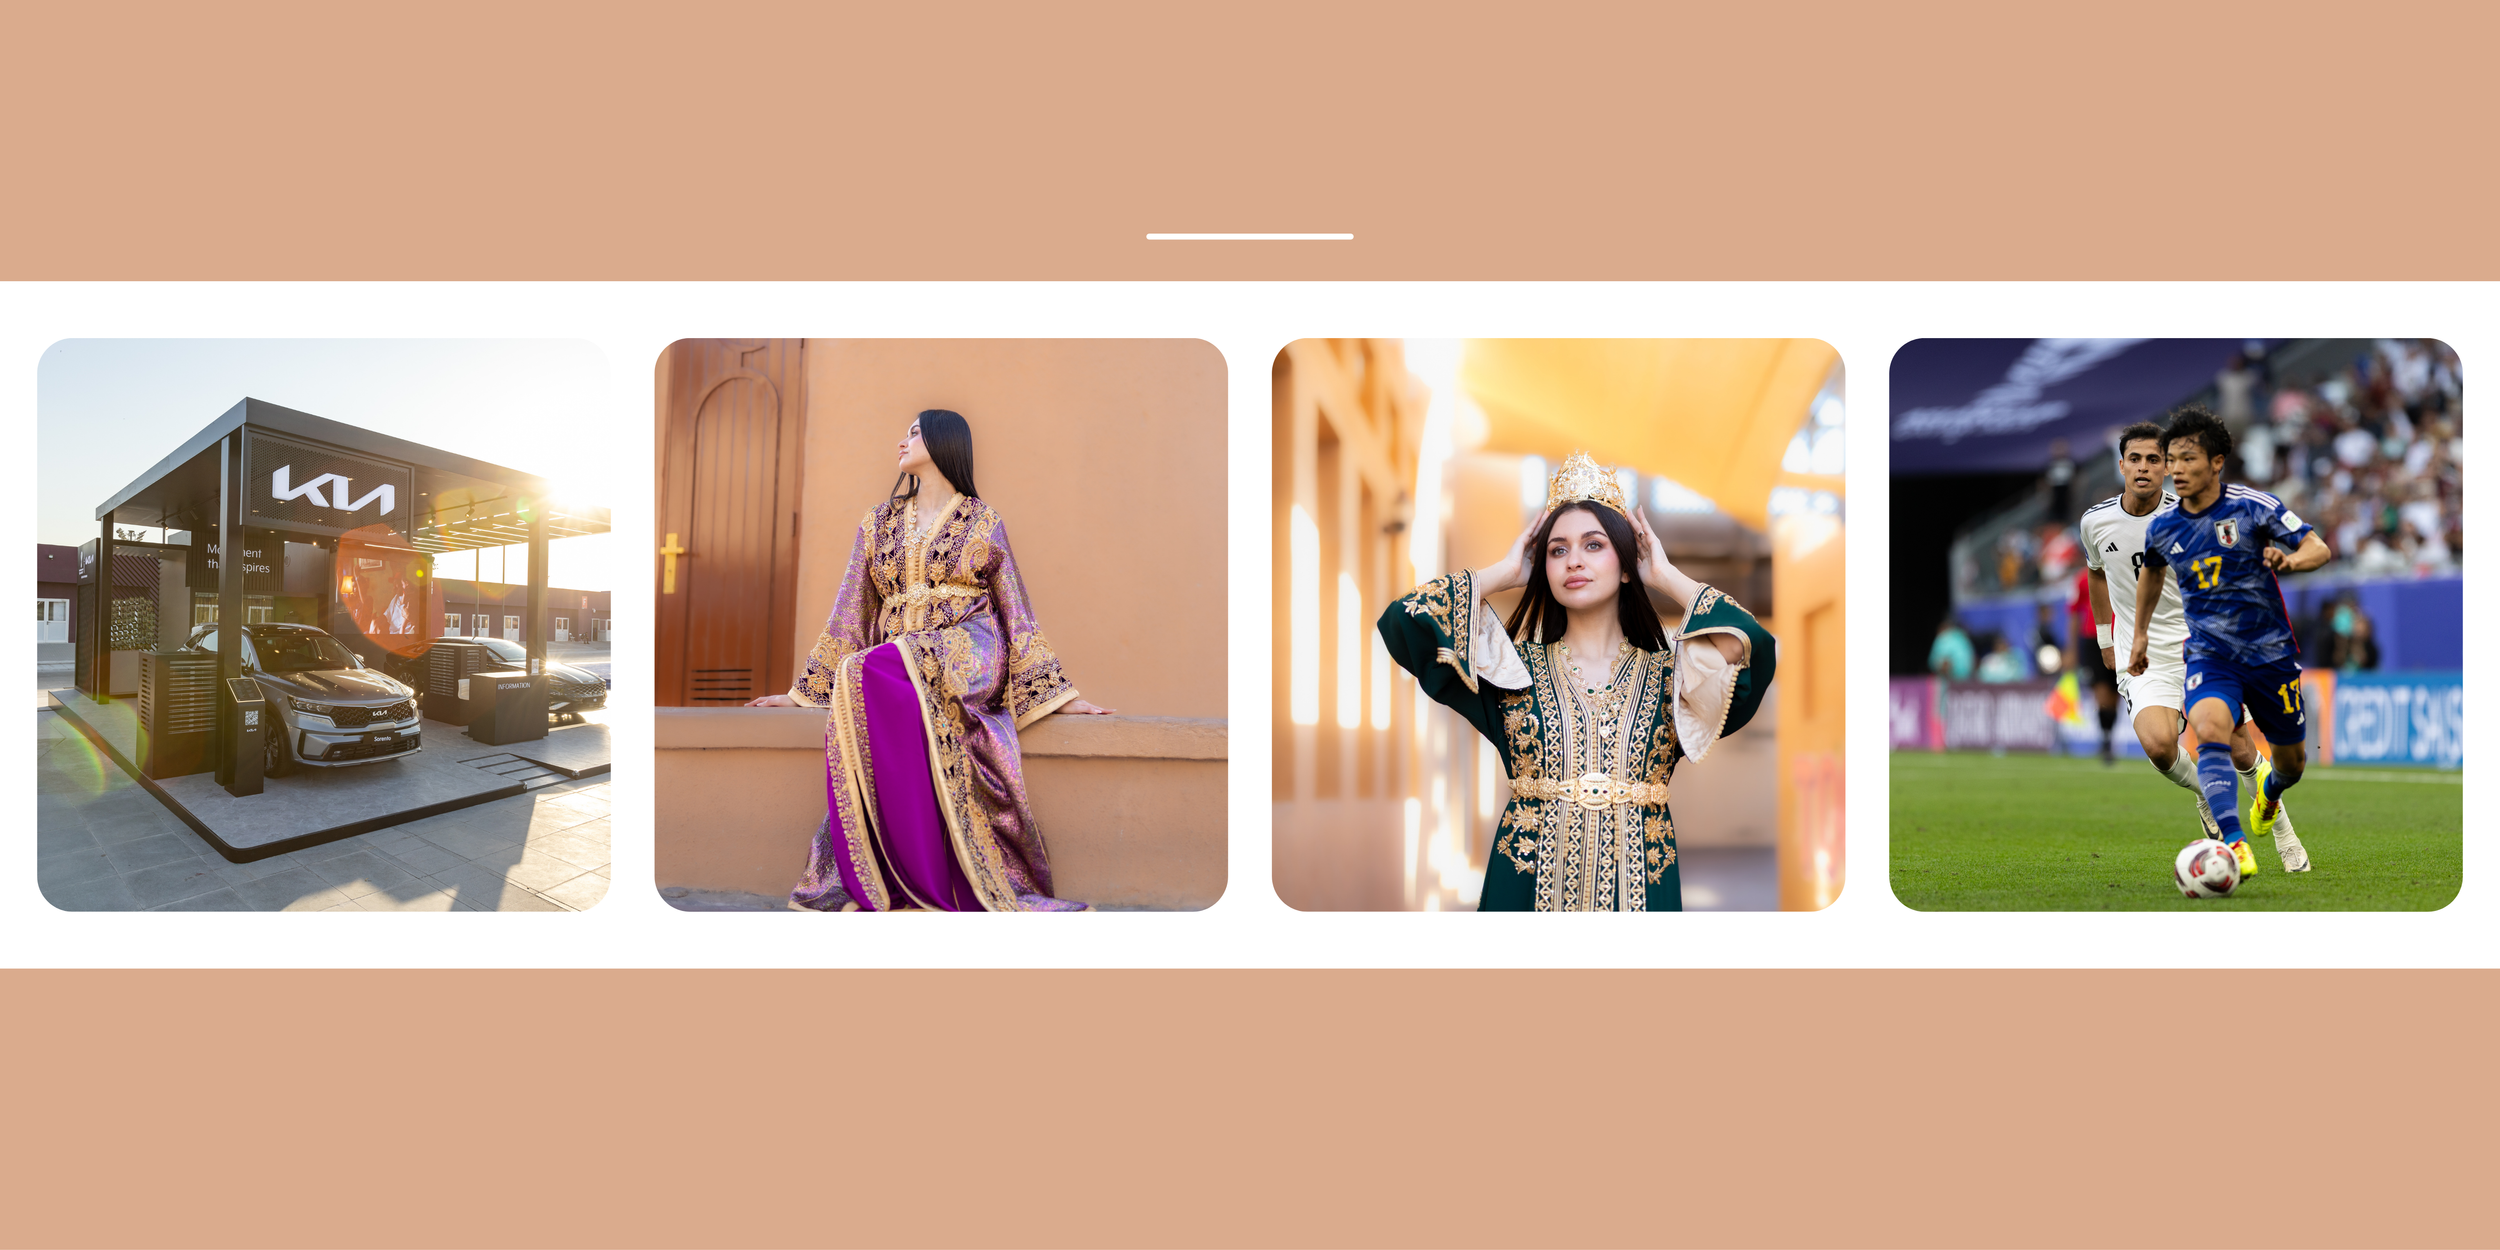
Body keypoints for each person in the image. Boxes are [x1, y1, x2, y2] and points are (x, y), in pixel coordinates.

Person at [745, 409, 1113, 912]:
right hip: (900, 660)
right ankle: (900, 868)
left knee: (891, 662)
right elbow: (850, 611)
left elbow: (1016, 611)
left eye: (915, 432)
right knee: (862, 671)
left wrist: (1061, 696)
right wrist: (800, 694)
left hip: (969, 648)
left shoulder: (983, 521)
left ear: (942, 441)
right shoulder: (878, 521)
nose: (903, 440)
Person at [1376, 451, 1774, 912]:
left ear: (1627, 564)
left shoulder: (1674, 677)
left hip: (1642, 893)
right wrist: (1505, 572)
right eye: (1557, 550)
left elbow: (1751, 645)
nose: (1573, 561)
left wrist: (1664, 576)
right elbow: (1403, 622)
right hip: (1522, 891)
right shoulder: (1510, 672)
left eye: (1594, 545)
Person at [2083, 421, 2303, 865]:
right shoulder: (2095, 522)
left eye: (2154, 459)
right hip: (2141, 653)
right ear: (2121, 464)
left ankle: (2284, 833)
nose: (2144, 467)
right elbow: (2095, 572)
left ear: (2167, 467)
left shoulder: (2185, 515)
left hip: (2202, 643)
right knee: (2160, 746)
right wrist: (2108, 638)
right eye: (2135, 459)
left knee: (2238, 747)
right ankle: (2208, 795)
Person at [2128, 407, 2332, 880]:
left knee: (2292, 764)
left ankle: (2271, 794)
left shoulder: (2254, 506)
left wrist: (2290, 562)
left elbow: (2318, 548)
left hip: (2270, 655)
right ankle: (2234, 844)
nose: (2176, 470)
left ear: (2216, 462)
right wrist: (2138, 634)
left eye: (2187, 459)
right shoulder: (2164, 527)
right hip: (2209, 654)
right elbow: (2152, 573)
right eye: (2171, 460)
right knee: (2211, 730)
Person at [1929, 616, 1975, 680]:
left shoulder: (1944, 637)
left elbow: (1945, 662)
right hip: (1968, 678)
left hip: (1952, 679)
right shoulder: (1962, 636)